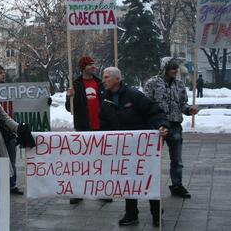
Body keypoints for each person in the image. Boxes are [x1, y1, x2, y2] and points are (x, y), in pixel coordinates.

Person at [99, 67, 169, 227]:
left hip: (143, 148)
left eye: (106, 77)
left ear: (117, 79)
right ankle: (131, 214)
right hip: (123, 150)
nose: (103, 80)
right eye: (103, 77)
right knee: (128, 180)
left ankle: (156, 213)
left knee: (149, 179)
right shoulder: (105, 103)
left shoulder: (134, 95)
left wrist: (162, 125)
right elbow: (104, 127)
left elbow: (154, 111)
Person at [144, 57, 198, 199]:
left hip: (174, 126)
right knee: (153, 159)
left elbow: (182, 104)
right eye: (173, 67)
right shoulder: (152, 83)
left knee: (177, 161)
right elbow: (146, 105)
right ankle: (151, 186)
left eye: (177, 67)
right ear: (165, 68)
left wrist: (189, 110)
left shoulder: (180, 84)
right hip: (157, 128)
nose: (176, 70)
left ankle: (177, 185)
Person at [65, 56, 111, 204]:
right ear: (83, 67)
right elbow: (69, 108)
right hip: (84, 127)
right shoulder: (76, 84)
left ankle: (102, 190)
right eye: (90, 64)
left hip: (100, 127)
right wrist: (69, 97)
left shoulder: (100, 83)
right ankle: (78, 191)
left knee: (100, 161)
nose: (93, 66)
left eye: (93, 63)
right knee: (82, 161)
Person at [0, 65, 24, 195]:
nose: (3, 75)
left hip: (9, 131)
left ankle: (12, 185)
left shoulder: (11, 90)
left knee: (11, 159)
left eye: (4, 73)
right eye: (0, 73)